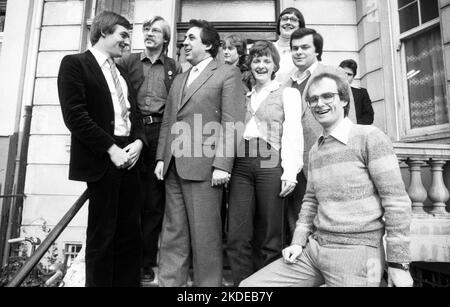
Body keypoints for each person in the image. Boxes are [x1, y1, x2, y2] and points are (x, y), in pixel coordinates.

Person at [240, 65, 413, 287]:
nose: (319, 104)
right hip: (315, 249)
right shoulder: (315, 149)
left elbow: (396, 202)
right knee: (249, 288)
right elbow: (310, 201)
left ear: (343, 100)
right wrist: (297, 242)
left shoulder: (369, 137)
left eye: (327, 96)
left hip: (356, 252)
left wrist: (399, 265)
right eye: (312, 99)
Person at [154, 19, 245, 287]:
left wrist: (223, 165)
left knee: (205, 237)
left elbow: (232, 123)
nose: (185, 42)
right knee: (173, 235)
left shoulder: (227, 73)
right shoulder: (181, 77)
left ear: (207, 44)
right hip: (173, 166)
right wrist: (161, 157)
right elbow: (169, 121)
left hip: (206, 169)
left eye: (192, 38)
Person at [57, 11, 146, 287]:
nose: (127, 41)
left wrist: (139, 143)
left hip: (129, 157)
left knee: (130, 236)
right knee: (103, 237)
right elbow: (75, 116)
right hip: (103, 158)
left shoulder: (120, 72)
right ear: (104, 32)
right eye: (123, 34)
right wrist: (110, 148)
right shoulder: (74, 64)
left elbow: (136, 116)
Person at [226, 41, 303, 286]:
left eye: (266, 61)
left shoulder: (288, 93)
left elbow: (293, 131)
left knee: (271, 234)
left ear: (274, 66)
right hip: (240, 163)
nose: (261, 65)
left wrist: (290, 171)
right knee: (237, 233)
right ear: (250, 64)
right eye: (256, 60)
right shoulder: (243, 95)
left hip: (270, 161)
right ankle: (243, 285)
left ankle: (266, 286)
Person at [117, 16, 182, 283]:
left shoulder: (173, 67)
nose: (149, 34)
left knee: (154, 202)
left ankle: (145, 262)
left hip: (159, 132)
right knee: (128, 196)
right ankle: (125, 259)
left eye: (155, 30)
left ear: (166, 38)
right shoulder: (127, 62)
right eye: (146, 29)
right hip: (132, 132)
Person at [284, 28, 358, 242]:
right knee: (297, 218)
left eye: (305, 47)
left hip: (327, 156)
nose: (298, 52)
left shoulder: (333, 73)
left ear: (317, 50)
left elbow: (349, 115)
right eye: (294, 48)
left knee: (328, 218)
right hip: (293, 164)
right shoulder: (285, 80)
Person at [274, 7, 306, 85]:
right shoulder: (268, 48)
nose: (288, 22)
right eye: (284, 19)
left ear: (300, 26)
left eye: (293, 20)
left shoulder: (304, 52)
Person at [339, 59, 374, 125]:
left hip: (355, 130)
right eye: (343, 73)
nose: (346, 77)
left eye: (349, 74)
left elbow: (369, 116)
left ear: (353, 77)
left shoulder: (362, 93)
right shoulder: (330, 92)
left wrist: (354, 126)